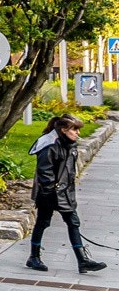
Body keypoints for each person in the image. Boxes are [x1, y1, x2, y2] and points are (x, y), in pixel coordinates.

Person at [28, 114, 105, 274]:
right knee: (43, 222)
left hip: (64, 192)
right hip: (49, 193)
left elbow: (68, 171)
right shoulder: (49, 144)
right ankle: (34, 257)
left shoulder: (69, 144)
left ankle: (82, 260)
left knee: (73, 222)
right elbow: (44, 171)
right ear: (63, 130)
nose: (78, 133)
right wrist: (51, 192)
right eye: (74, 129)